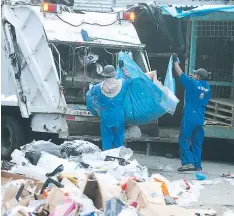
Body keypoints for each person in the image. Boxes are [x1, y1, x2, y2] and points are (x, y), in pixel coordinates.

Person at [172, 53, 211, 172]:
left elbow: (180, 74)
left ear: (198, 76)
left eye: (195, 74)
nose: (193, 75)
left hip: (190, 116)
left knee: (183, 138)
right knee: (197, 142)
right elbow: (198, 87)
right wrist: (193, 79)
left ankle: (188, 163)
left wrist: (175, 62)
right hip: (200, 118)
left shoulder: (193, 83)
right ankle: (197, 164)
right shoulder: (208, 87)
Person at [90, 61, 131, 150]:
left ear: (104, 75)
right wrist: (123, 67)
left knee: (106, 139)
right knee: (119, 138)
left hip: (106, 115)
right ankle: (118, 158)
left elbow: (91, 93)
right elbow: (129, 77)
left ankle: (106, 158)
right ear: (114, 74)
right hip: (119, 115)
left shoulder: (98, 87)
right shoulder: (122, 83)